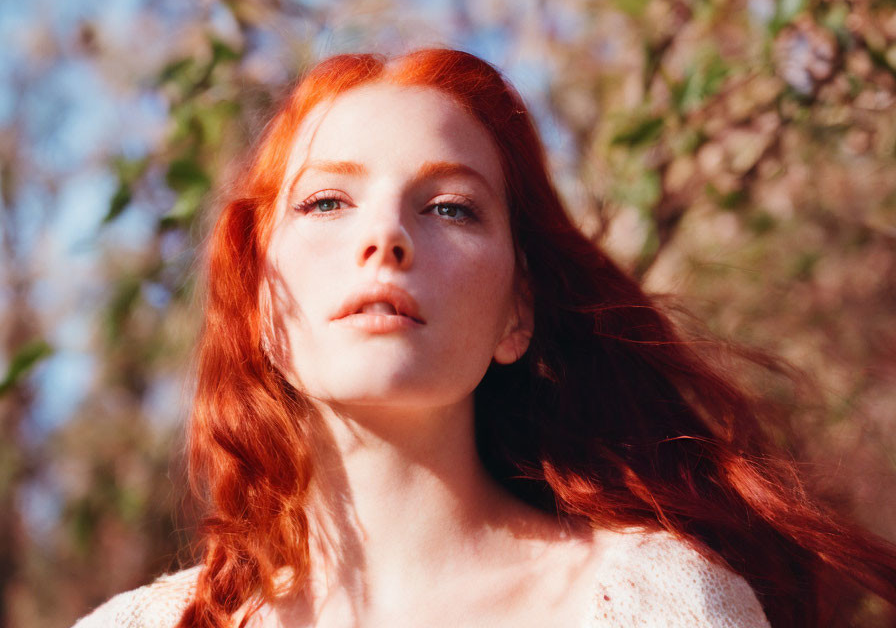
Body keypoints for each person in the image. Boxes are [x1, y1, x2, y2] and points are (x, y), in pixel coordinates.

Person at [73, 49, 896, 628]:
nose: (385, 237)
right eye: (327, 203)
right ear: (260, 303)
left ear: (518, 315)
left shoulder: (662, 604)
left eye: (450, 207)